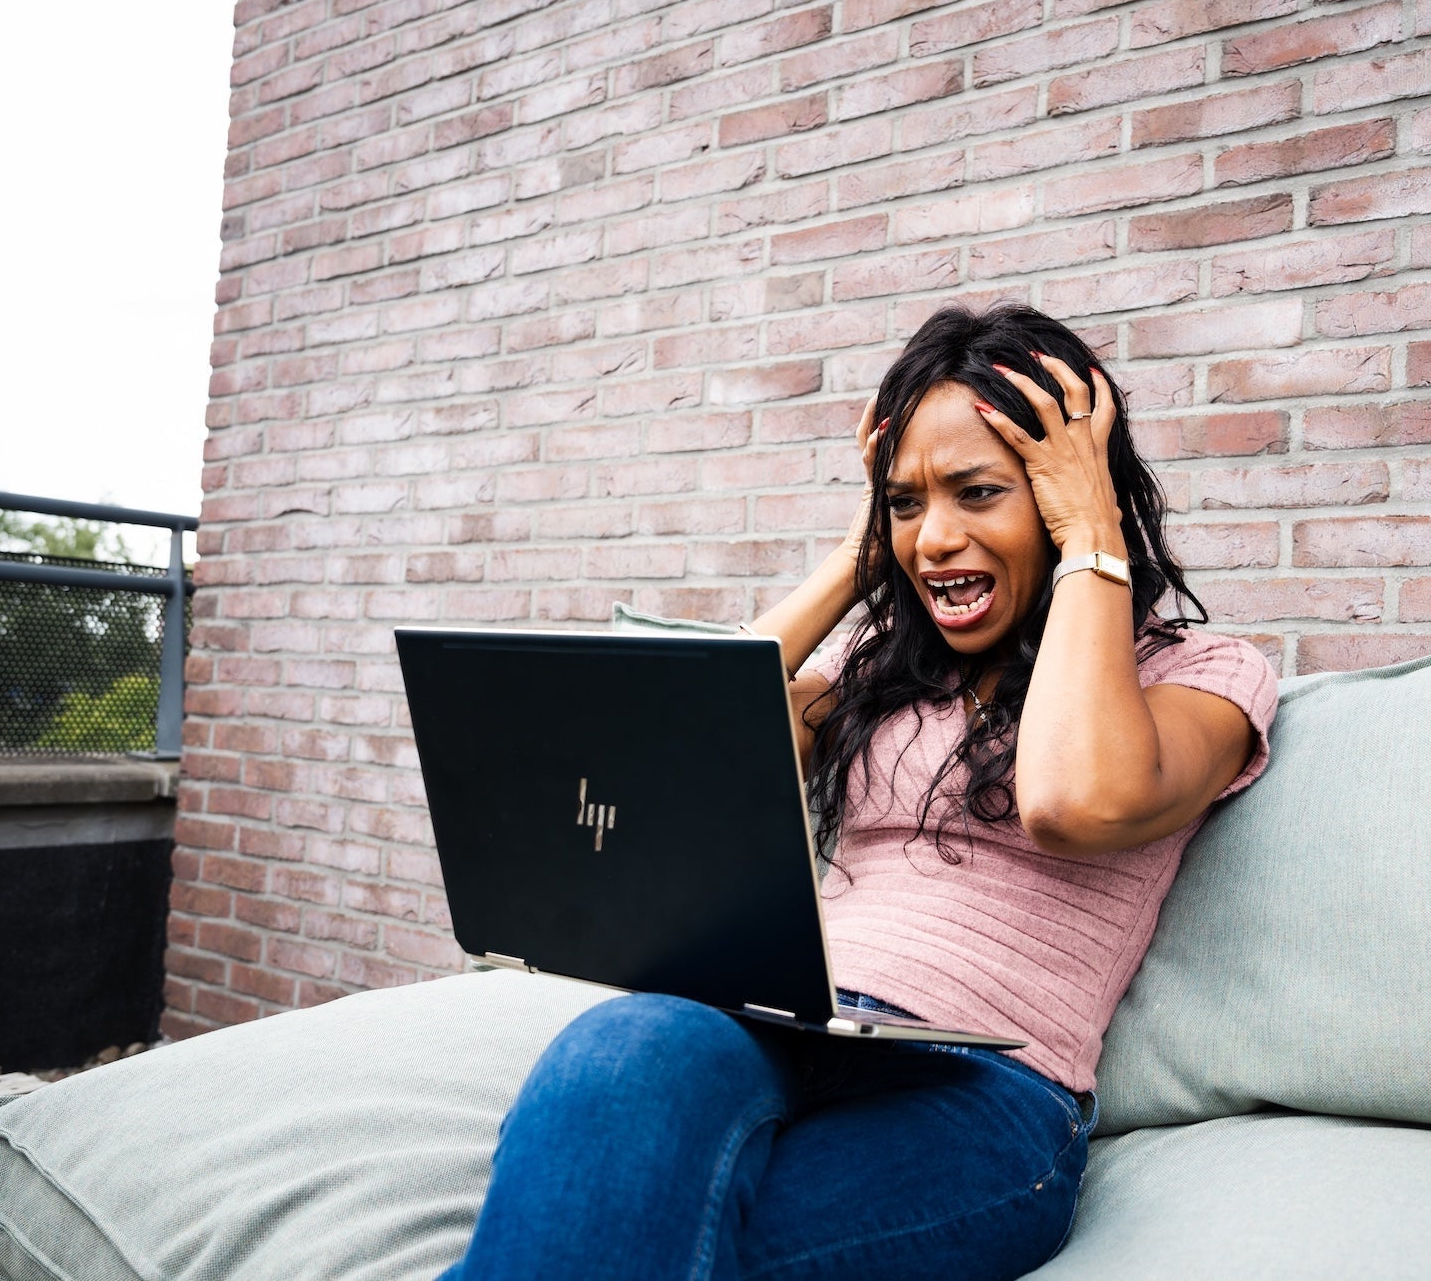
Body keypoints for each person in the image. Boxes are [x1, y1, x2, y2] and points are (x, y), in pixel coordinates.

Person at [440, 302, 1280, 1280]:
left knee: (642, 1237)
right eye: (907, 502)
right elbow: (660, 752)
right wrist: (853, 557)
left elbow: (1071, 798)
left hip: (984, 1089)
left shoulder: (1197, 675)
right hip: (779, 1022)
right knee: (617, 1053)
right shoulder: (875, 676)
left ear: (1062, 492)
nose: (933, 541)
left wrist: (1092, 531)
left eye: (977, 492)